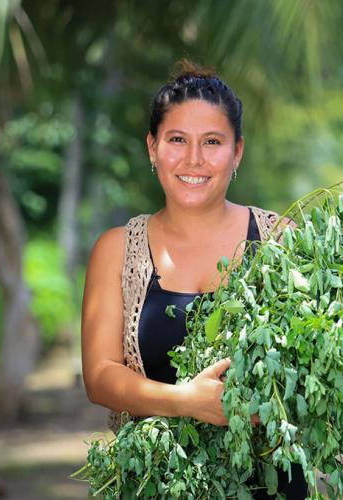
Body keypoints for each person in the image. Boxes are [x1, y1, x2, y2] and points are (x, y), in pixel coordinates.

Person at [81, 60, 307, 498]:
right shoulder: (117, 249)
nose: (194, 159)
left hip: (274, 486)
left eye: (212, 142)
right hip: (159, 484)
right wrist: (187, 401)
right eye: (177, 140)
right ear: (152, 147)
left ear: (237, 151)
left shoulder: (282, 239)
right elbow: (100, 376)